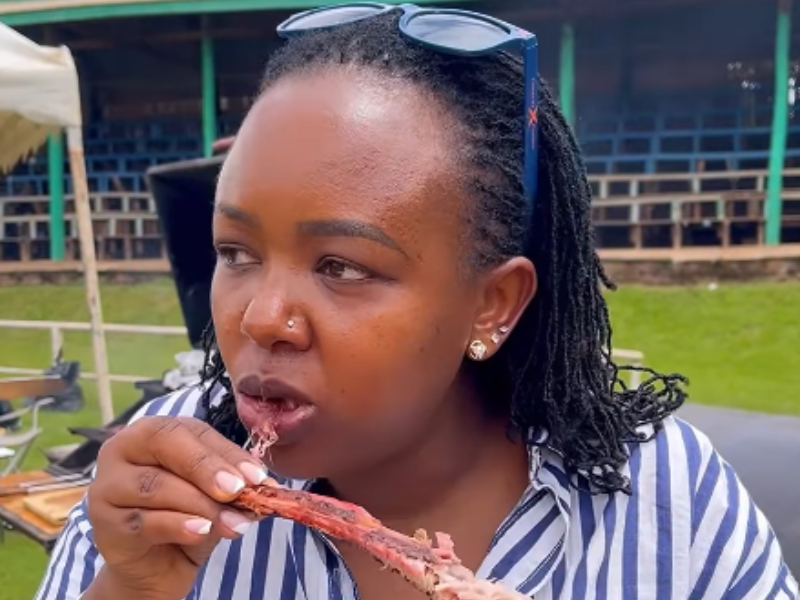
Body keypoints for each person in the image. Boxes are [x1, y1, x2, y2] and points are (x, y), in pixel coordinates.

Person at [35, 5, 797, 600]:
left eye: (341, 266)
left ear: (492, 305)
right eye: (236, 252)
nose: (260, 317)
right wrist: (130, 587)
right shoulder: (158, 481)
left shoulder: (660, 501)